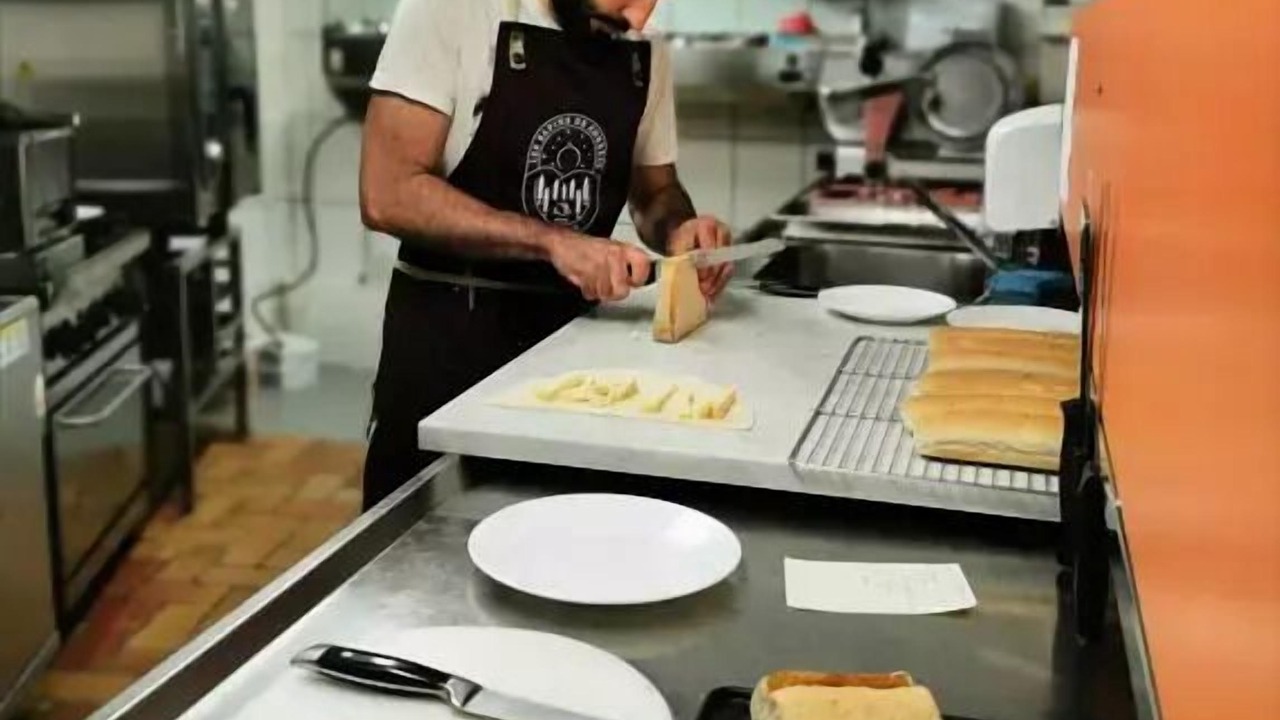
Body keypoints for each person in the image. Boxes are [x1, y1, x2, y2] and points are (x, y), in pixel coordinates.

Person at [359, 0, 734, 509]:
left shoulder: (644, 47)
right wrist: (552, 241)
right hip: (450, 350)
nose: (641, 17)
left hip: (575, 361)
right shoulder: (451, 11)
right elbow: (387, 192)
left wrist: (679, 230)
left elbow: (655, 190)